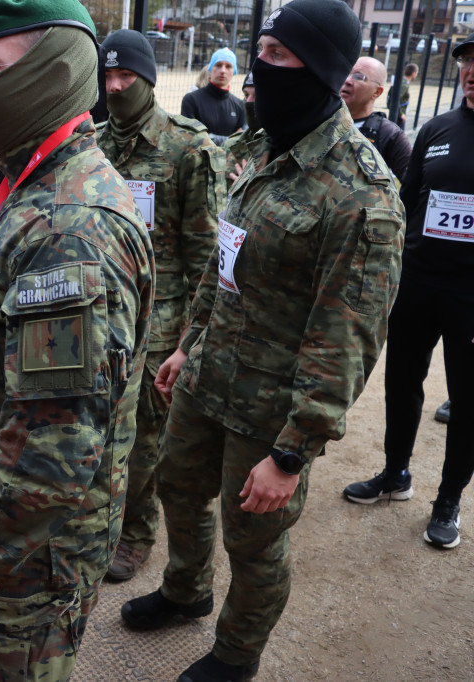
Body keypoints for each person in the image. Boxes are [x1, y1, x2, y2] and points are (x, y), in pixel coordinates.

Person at [119, 2, 404, 680]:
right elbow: (224, 270)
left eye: (278, 55)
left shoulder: (363, 196)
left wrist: (291, 452)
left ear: (324, 69)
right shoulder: (255, 149)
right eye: (261, 51)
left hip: (272, 408)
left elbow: (348, 340)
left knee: (254, 542)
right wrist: (189, 343)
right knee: (179, 492)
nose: (258, 67)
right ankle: (186, 592)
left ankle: (236, 655)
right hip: (208, 375)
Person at [0, 1, 154, 678]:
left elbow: (53, 451)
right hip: (14, 541)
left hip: (28, 557)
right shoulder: (36, 186)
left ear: (50, 74)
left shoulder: (66, 227)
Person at [96, 29, 223, 582]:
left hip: (161, 318)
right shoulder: (93, 144)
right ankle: (104, 519)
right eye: (108, 77)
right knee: (98, 426)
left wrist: (190, 339)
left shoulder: (188, 148)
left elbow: (206, 258)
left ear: (149, 78)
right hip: (101, 313)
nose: (117, 87)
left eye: (128, 77)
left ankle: (135, 533)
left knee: (147, 437)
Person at [343, 35, 474, 550]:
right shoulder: (436, 129)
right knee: (401, 380)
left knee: (466, 399)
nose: (470, 70)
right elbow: (405, 199)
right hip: (419, 279)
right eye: (467, 60)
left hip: (470, 292)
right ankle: (396, 474)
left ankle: (448, 501)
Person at [340, 56, 411, 181]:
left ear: (377, 92)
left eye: (358, 77)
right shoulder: (319, 119)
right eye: (346, 73)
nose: (348, 80)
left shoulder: (389, 134)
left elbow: (413, 183)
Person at [181, 47, 245, 145]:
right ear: (210, 69)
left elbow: (243, 142)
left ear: (234, 71)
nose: (223, 70)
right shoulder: (191, 100)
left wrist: (209, 137)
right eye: (218, 65)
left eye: (228, 66)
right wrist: (231, 140)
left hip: (228, 160)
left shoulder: (239, 105)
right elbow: (191, 138)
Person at [394, 62, 418, 127]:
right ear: (413, 73)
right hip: (398, 116)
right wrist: (401, 114)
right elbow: (395, 99)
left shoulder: (403, 82)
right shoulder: (404, 84)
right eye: (416, 73)